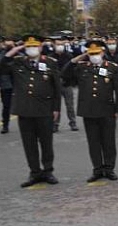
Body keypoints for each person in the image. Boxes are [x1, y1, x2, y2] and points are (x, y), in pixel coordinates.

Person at [0, 35, 61, 187]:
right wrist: (14, 50)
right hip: (25, 110)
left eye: (34, 46)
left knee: (46, 143)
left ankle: (48, 171)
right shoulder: (18, 62)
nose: (32, 49)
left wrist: (56, 108)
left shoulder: (50, 63)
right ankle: (34, 172)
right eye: (28, 47)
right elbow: (2, 65)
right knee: (29, 144)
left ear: (40, 47)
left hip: (44, 109)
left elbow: (56, 88)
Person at [63, 40, 118, 182]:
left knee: (109, 141)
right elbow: (65, 74)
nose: (94, 56)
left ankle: (109, 169)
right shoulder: (82, 68)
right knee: (93, 142)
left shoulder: (112, 67)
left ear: (103, 53)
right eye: (91, 54)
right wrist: (77, 58)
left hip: (107, 110)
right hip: (89, 111)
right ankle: (97, 169)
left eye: (97, 53)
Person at [51, 37, 79, 132]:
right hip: (54, 85)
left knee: (70, 105)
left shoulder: (68, 56)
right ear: (54, 45)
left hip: (67, 83)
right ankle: (55, 124)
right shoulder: (50, 57)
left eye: (61, 44)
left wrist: (73, 81)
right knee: (55, 106)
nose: (60, 46)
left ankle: (73, 122)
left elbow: (73, 70)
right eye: (58, 44)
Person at [0, 37, 15, 133]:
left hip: (19, 82)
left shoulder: (18, 52)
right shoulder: (2, 53)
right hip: (6, 83)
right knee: (6, 105)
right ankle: (5, 125)